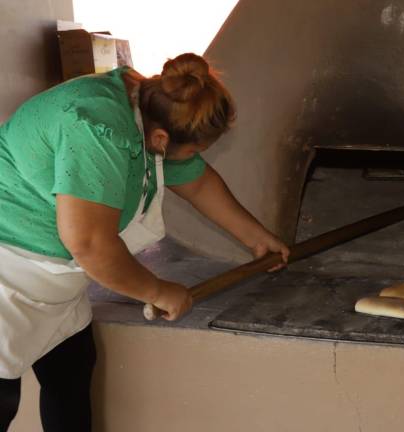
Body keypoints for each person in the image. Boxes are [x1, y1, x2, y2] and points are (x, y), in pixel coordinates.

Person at [0, 53, 289, 431]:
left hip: (53, 277)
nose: (192, 159)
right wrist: (156, 290)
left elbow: (197, 182)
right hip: (8, 271)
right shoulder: (95, 127)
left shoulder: (154, 107)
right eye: (194, 150)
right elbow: (89, 243)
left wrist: (256, 237)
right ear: (161, 139)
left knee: (70, 371)